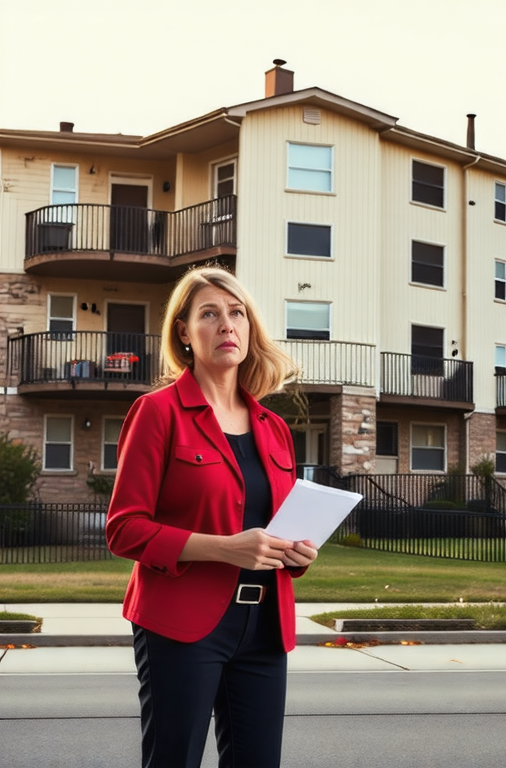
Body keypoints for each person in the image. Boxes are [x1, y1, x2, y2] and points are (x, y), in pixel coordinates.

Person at [106, 266, 315, 768]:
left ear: (250, 329)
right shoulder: (157, 412)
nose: (228, 324)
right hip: (180, 623)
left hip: (264, 626)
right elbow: (123, 528)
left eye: (237, 313)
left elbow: (277, 527)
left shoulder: (274, 428)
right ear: (184, 332)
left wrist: (298, 553)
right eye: (210, 313)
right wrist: (224, 548)